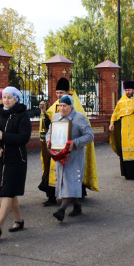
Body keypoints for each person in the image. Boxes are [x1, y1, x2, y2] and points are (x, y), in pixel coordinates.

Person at [38, 77, 99, 206]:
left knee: (70, 174)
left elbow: (85, 131)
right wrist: (44, 113)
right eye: (57, 93)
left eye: (61, 93)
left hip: (70, 147)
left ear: (67, 92)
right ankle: (53, 197)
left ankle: (68, 203)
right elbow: (50, 123)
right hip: (56, 145)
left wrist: (75, 142)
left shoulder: (75, 106)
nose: (59, 96)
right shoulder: (56, 105)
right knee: (53, 170)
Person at [0, 86, 31, 238]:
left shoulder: (22, 115)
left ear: (16, 99)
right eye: (4, 97)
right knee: (10, 193)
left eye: (10, 97)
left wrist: (4, 136)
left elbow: (24, 137)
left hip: (16, 159)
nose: (6, 100)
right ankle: (19, 220)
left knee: (7, 192)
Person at [48, 95, 94, 222]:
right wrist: (50, 144)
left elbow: (90, 135)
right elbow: (49, 133)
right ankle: (77, 206)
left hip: (75, 157)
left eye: (65, 106)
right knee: (66, 182)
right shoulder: (56, 117)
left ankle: (61, 210)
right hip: (60, 155)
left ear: (71, 106)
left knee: (71, 181)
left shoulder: (79, 118)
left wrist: (75, 142)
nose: (62, 108)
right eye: (60, 106)